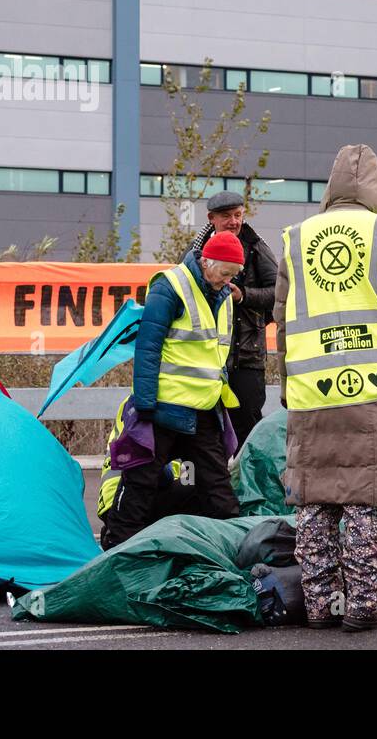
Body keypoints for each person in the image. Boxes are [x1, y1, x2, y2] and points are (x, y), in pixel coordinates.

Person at [274, 144, 377, 633]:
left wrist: (289, 381)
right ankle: (361, 607)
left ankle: (319, 606)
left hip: (311, 387)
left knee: (315, 499)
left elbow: (281, 321)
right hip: (369, 387)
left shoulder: (295, 238)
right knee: (368, 497)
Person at [102, 231, 244, 549]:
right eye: (225, 274)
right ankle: (116, 551)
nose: (228, 282)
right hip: (163, 407)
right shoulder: (170, 287)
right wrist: (145, 402)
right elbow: (148, 347)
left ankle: (236, 553)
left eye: (233, 275)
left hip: (204, 407)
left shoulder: (223, 296)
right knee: (141, 484)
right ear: (207, 263)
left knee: (218, 488)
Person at [185, 191, 279, 449]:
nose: (234, 222)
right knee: (206, 432)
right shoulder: (194, 253)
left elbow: (280, 292)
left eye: (238, 215)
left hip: (247, 358)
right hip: (205, 359)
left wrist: (244, 296)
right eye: (226, 216)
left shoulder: (257, 248)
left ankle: (247, 487)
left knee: (247, 431)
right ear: (211, 218)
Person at [96, 396, 198, 547]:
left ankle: (119, 533)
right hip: (127, 499)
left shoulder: (137, 400)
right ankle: (124, 537)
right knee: (196, 492)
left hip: (115, 500)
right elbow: (153, 471)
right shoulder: (159, 407)